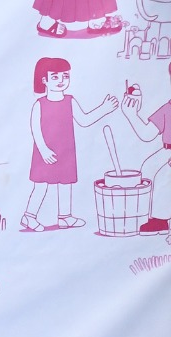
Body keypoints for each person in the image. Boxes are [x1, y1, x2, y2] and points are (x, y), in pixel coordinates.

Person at [22, 57, 117, 231]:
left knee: (66, 183)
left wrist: (104, 109)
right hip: (46, 152)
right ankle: (29, 216)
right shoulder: (39, 104)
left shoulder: (70, 101)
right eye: (55, 76)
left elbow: (84, 120)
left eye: (65, 76)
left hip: (66, 150)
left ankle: (65, 217)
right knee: (41, 185)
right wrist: (43, 150)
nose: (61, 80)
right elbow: (35, 130)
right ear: (44, 80)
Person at [120, 62, 171, 235]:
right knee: (148, 169)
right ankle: (154, 217)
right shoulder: (167, 108)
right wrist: (131, 113)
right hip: (167, 149)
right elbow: (147, 134)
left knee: (164, 174)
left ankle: (161, 218)